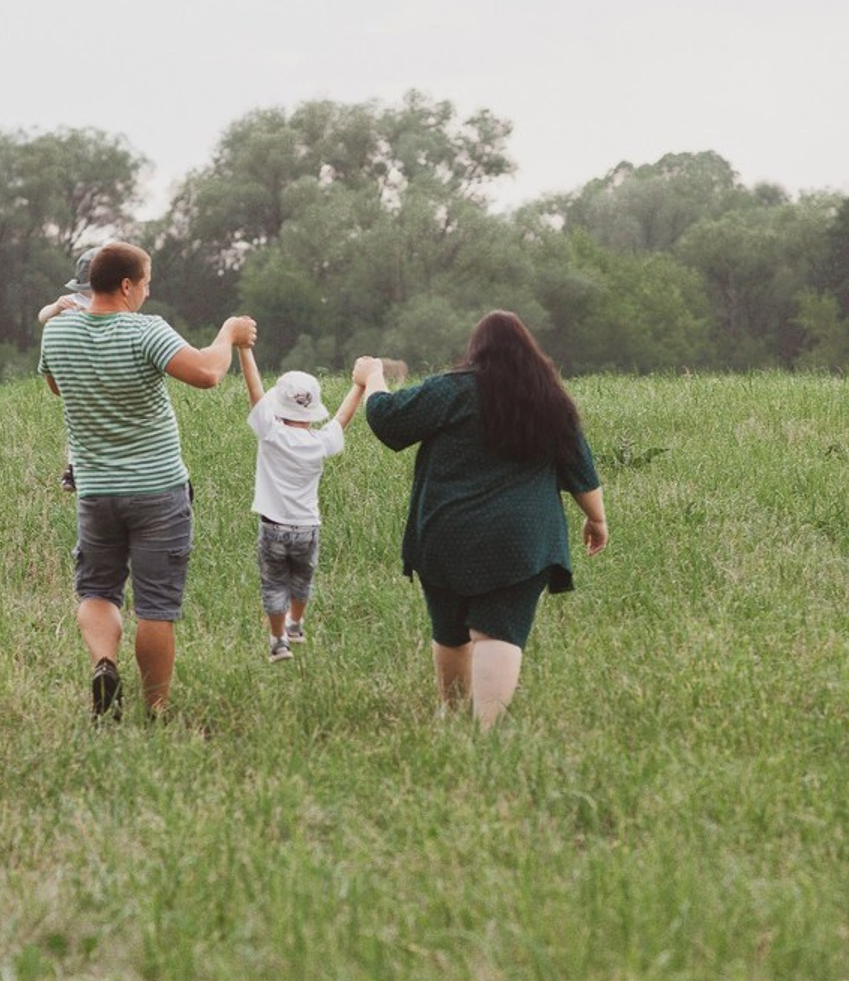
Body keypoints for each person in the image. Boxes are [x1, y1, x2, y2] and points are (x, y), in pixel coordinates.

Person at [39, 240, 257, 722]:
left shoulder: (56, 335)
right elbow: (207, 373)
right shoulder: (146, 332)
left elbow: (57, 384)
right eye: (145, 283)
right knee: (156, 606)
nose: (146, 292)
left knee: (97, 592)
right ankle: (156, 709)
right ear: (125, 285)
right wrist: (229, 332)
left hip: (96, 493)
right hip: (158, 490)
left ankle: (103, 663)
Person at [359, 311, 608, 729]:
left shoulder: (451, 390)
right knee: (500, 629)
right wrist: (596, 520)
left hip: (446, 532)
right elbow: (580, 469)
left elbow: (387, 420)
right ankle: (486, 731)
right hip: (520, 541)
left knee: (450, 629)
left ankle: (452, 717)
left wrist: (372, 378)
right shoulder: (549, 400)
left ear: (475, 351)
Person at [236, 349, 367, 662]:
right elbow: (342, 418)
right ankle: (296, 623)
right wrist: (359, 385)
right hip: (308, 528)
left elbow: (254, 390)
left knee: (274, 585)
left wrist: (244, 349)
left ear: (279, 408)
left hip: (273, 527)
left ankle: (278, 640)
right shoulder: (321, 442)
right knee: (301, 580)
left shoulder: (271, 433)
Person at [38, 249, 96, 493]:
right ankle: (74, 467)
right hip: (78, 368)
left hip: (99, 366)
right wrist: (55, 308)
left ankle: (82, 467)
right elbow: (43, 317)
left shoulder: (112, 305)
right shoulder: (70, 302)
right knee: (78, 421)